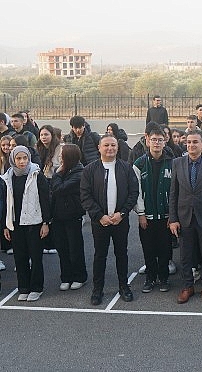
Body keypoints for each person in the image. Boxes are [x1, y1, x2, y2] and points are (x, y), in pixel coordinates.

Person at [80, 135, 139, 306]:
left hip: (121, 220)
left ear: (117, 147)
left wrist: (122, 213)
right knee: (100, 255)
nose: (110, 148)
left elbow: (133, 193)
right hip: (100, 222)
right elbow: (85, 195)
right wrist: (99, 216)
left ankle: (123, 286)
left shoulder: (126, 168)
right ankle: (97, 289)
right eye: (106, 145)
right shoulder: (90, 169)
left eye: (113, 145)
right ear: (99, 147)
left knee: (122, 254)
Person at [169, 130, 202, 304]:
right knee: (185, 255)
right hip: (184, 217)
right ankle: (187, 286)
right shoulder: (177, 163)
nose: (191, 145)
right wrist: (173, 218)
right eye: (189, 142)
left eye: (195, 142)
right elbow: (173, 194)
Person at [1, 146, 51, 302]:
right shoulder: (8, 177)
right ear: (13, 159)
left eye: (25, 158)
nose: (22, 162)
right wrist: (6, 225)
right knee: (20, 257)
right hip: (15, 224)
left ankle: (36, 288)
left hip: (34, 222)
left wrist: (45, 222)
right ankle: (23, 287)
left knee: (35, 257)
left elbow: (45, 200)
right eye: (18, 158)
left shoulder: (37, 175)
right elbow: (6, 203)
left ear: (29, 158)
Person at [133, 127, 173, 294]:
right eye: (154, 139)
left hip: (166, 216)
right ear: (147, 140)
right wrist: (141, 213)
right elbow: (136, 191)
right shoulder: (139, 163)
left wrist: (173, 214)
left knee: (165, 249)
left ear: (165, 142)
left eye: (160, 140)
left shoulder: (172, 162)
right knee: (148, 249)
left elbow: (175, 191)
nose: (157, 143)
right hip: (147, 216)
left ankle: (163, 278)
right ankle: (150, 278)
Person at [50, 144, 87, 292]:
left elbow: (59, 189)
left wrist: (57, 175)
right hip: (58, 217)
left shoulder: (79, 173)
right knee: (62, 248)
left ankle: (79, 277)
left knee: (75, 248)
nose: (59, 158)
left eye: (62, 156)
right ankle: (66, 277)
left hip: (72, 216)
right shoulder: (64, 171)